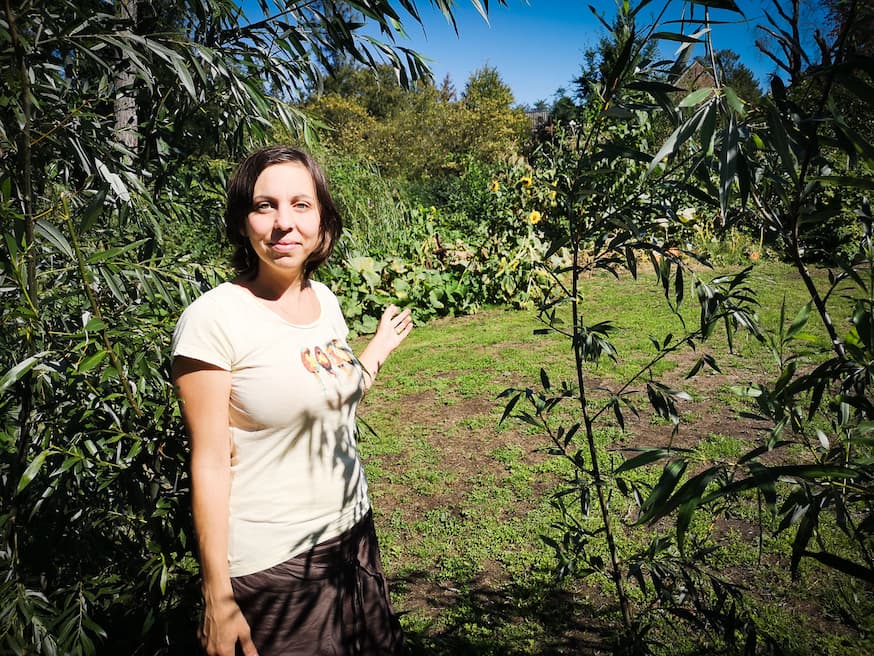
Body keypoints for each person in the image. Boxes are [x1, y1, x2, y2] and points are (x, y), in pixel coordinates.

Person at [171, 146, 413, 656]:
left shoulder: (324, 301)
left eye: (301, 204)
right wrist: (217, 596)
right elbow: (210, 462)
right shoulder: (212, 320)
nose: (284, 223)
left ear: (323, 221)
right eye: (265, 206)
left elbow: (332, 400)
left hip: (352, 536)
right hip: (275, 565)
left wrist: (377, 350)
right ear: (243, 222)